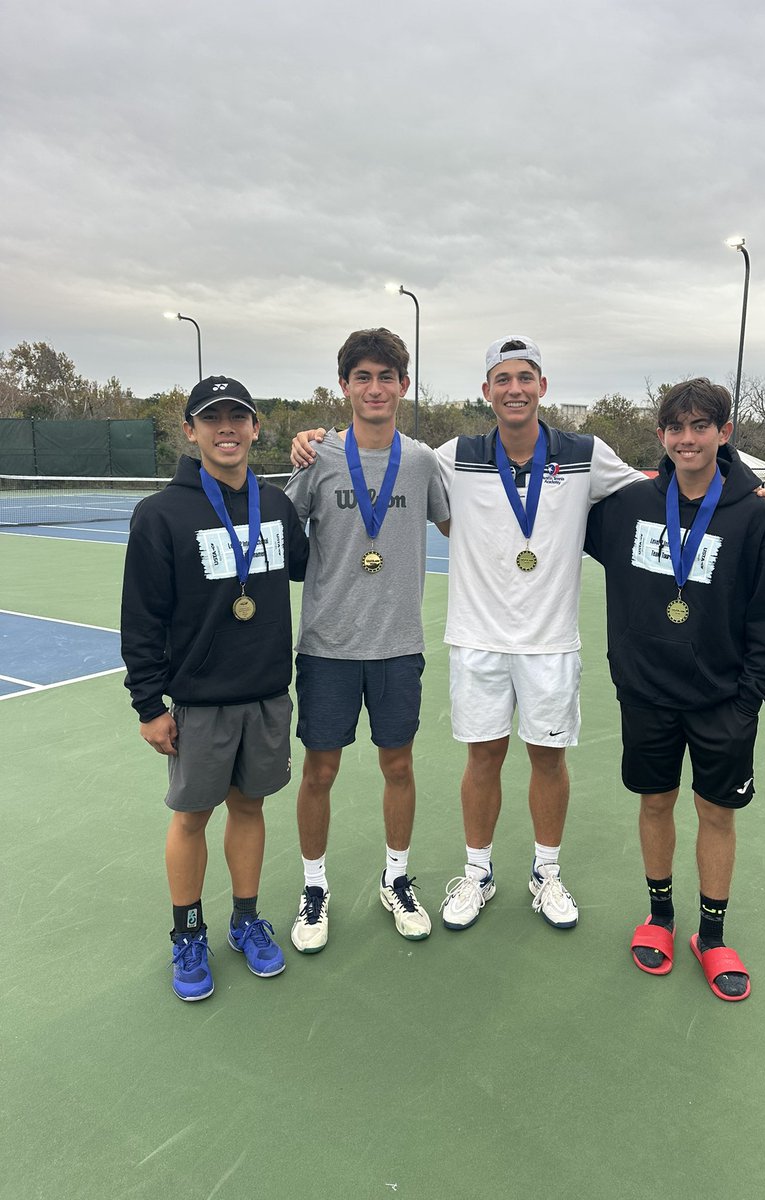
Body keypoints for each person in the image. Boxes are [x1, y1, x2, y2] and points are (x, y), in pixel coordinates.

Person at [583, 377, 765, 1001]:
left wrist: (749, 697)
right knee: (655, 803)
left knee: (716, 813)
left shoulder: (754, 516)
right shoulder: (628, 505)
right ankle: (660, 916)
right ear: (661, 436)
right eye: (676, 428)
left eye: (701, 426)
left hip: (722, 700)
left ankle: (712, 935)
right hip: (646, 694)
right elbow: (553, 514)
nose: (687, 439)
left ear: (723, 433)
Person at [434, 337, 646, 932]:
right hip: (477, 639)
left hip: (550, 642)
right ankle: (477, 872)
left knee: (548, 760)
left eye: (525, 377)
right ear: (486, 392)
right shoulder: (457, 455)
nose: (515, 389)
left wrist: (741, 489)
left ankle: (545, 872)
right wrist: (316, 439)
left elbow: (657, 489)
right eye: (503, 379)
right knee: (483, 758)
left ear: (542, 387)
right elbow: (383, 456)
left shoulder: (585, 453)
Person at [121, 376, 309, 1001]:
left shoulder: (275, 504)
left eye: (238, 417)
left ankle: (246, 920)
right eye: (212, 418)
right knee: (192, 817)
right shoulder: (160, 514)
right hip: (198, 702)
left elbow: (310, 564)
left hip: (266, 695)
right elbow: (142, 618)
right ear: (191, 431)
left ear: (256, 428)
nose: (226, 428)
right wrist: (149, 705)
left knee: (250, 808)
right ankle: (188, 933)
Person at [283, 328, 450, 954]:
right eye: (363, 377)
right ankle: (314, 887)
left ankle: (396, 879)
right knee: (319, 771)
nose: (375, 388)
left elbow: (463, 524)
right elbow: (275, 528)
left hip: (398, 646)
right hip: (326, 646)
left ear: (403, 386)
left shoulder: (422, 461)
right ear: (344, 385)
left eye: (386, 377)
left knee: (398, 766)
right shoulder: (319, 458)